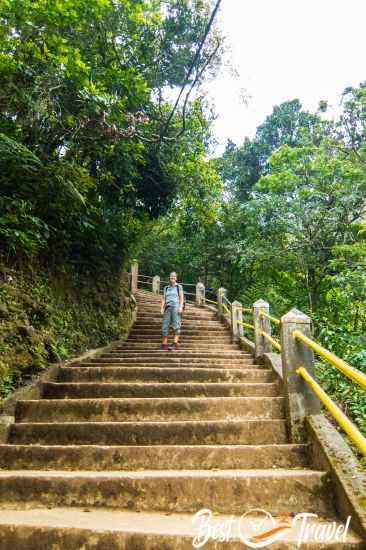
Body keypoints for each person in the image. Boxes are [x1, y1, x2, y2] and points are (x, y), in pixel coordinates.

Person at [161, 271, 184, 350]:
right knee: (165, 325)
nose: (172, 277)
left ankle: (175, 343)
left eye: (174, 276)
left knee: (176, 324)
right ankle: (164, 343)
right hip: (167, 307)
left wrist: (180, 307)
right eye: (171, 276)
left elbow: (181, 298)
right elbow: (164, 298)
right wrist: (161, 308)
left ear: (176, 278)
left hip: (176, 307)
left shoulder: (179, 287)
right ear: (169, 278)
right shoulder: (166, 288)